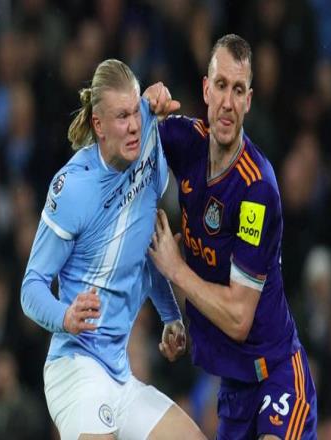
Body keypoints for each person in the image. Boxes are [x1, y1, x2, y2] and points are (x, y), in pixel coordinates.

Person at [21, 59, 205, 440]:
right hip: (75, 369)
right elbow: (31, 287)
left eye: (135, 111)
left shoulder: (149, 142)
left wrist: (171, 316)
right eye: (122, 116)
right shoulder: (73, 188)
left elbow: (144, 249)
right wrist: (65, 316)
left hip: (119, 376)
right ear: (99, 125)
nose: (134, 124)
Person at [146, 34, 318, 439]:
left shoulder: (257, 190)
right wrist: (144, 103)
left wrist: (175, 270)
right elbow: (129, 137)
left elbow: (240, 319)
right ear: (206, 90)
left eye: (238, 90)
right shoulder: (186, 142)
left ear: (249, 101)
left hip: (277, 374)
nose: (227, 101)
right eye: (221, 85)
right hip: (234, 388)